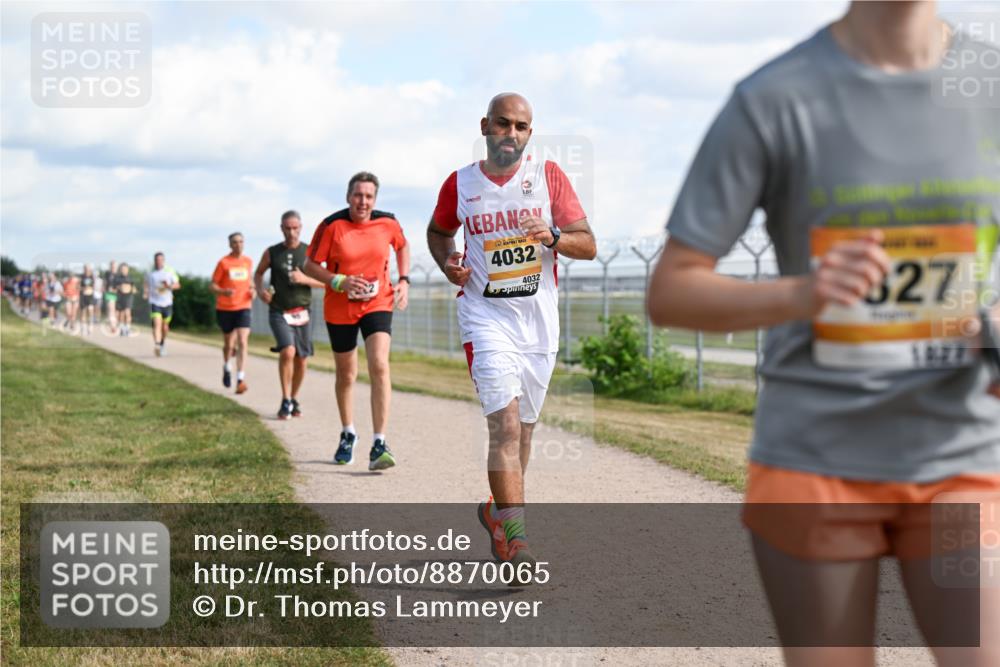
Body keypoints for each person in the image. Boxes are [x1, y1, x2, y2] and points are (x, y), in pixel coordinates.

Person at [646, 2, 1000, 664]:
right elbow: (671, 289)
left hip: (961, 449)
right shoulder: (775, 96)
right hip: (816, 459)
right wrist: (806, 292)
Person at [426, 93, 597, 568]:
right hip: (484, 316)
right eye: (504, 124)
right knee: (502, 425)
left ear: (530, 133)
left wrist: (554, 236)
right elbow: (438, 232)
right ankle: (518, 541)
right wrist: (448, 263)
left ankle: (498, 513)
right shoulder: (460, 184)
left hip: (539, 322)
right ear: (485, 126)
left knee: (522, 432)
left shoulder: (547, 178)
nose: (512, 134)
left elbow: (588, 245)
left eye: (522, 126)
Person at [303, 172, 410, 470]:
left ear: (375, 199)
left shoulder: (387, 223)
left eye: (369, 196)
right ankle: (348, 432)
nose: (363, 202)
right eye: (358, 195)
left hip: (378, 302)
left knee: (379, 364)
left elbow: (402, 246)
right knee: (347, 374)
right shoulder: (331, 226)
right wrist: (339, 281)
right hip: (339, 307)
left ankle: (379, 442)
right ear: (348, 196)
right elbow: (309, 265)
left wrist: (404, 280)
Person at [255, 210, 325, 419]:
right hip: (279, 310)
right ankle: (285, 399)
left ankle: (293, 398)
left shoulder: (309, 252)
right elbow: (258, 274)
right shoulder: (271, 252)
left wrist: (305, 279)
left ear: (301, 228)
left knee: (302, 359)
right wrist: (260, 291)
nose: (292, 232)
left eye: (295, 228)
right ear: (281, 228)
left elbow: (325, 282)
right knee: (288, 351)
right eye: (287, 228)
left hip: (303, 311)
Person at [211, 233, 255, 394]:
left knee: (243, 341)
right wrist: (223, 291)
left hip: (244, 306)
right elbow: (212, 286)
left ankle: (241, 379)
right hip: (225, 308)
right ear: (230, 245)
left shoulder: (248, 261)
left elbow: (249, 281)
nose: (238, 245)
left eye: (241, 241)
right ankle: (227, 366)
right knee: (229, 344)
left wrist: (253, 290)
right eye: (235, 242)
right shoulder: (223, 262)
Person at [144, 252, 180, 356]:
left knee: (165, 327)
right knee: (156, 324)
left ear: (163, 261)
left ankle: (163, 342)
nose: (158, 262)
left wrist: (169, 286)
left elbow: (177, 285)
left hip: (167, 302)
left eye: (160, 260)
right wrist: (146, 292)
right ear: (154, 261)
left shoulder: (169, 271)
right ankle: (157, 345)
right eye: (156, 260)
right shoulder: (150, 272)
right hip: (154, 302)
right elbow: (146, 284)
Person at [115, 263, 137, 336]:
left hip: (128, 297)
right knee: (121, 314)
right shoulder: (117, 278)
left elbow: (134, 288)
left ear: (128, 269)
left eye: (125, 269)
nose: (124, 270)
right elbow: (114, 288)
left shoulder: (131, 278)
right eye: (122, 269)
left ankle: (128, 329)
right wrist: (120, 288)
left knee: (127, 312)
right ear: (120, 270)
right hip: (120, 297)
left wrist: (132, 289)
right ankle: (122, 329)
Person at [79, 264, 97, 335]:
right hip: (83, 296)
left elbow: (94, 286)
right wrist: (84, 288)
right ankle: (83, 328)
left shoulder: (92, 277)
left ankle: (90, 327)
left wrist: (91, 289)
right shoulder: (81, 277)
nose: (87, 270)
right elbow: (78, 287)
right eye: (85, 269)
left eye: (88, 269)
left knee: (90, 311)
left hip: (90, 297)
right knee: (83, 312)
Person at [103, 261, 119, 332]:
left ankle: (114, 325)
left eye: (114, 266)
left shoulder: (118, 275)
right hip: (109, 294)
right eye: (112, 266)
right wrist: (104, 289)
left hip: (117, 294)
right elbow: (105, 282)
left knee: (115, 311)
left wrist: (115, 290)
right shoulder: (107, 274)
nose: (113, 267)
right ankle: (113, 326)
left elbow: (120, 286)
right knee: (110, 310)